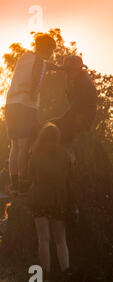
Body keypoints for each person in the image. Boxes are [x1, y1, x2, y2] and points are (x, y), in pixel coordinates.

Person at [5, 34, 58, 194]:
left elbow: (43, 65)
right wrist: (34, 100)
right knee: (24, 145)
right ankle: (23, 183)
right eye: (50, 49)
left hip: (11, 104)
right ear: (44, 48)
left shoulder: (25, 58)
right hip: (26, 107)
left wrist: (55, 67)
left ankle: (14, 182)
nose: (51, 53)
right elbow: (36, 78)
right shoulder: (39, 63)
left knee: (14, 146)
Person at [26, 123, 73, 278]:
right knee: (61, 240)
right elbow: (71, 176)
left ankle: (45, 273)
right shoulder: (65, 154)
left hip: (39, 198)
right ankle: (66, 271)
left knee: (43, 239)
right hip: (59, 199)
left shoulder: (34, 154)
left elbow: (30, 177)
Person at [53, 55, 97, 144]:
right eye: (66, 70)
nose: (67, 72)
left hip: (82, 121)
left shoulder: (83, 84)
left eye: (70, 70)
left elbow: (75, 109)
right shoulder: (76, 82)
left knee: (50, 131)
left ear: (79, 69)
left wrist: (57, 121)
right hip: (75, 118)